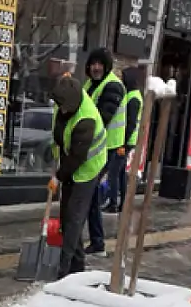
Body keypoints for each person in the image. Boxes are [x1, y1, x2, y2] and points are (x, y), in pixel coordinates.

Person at [49, 73, 108, 277]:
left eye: (65, 107)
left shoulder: (86, 118)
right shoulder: (64, 102)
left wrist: (58, 176)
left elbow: (76, 157)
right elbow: (58, 136)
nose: (62, 109)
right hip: (71, 163)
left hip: (89, 167)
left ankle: (64, 271)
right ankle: (78, 266)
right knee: (66, 217)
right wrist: (56, 160)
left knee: (74, 218)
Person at [83, 48, 126, 252]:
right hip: (94, 147)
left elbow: (101, 117)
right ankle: (95, 240)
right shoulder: (90, 85)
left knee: (90, 193)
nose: (96, 67)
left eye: (100, 64)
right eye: (93, 63)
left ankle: (98, 241)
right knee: (89, 194)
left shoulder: (113, 87)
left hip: (106, 147)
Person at [108, 68, 143, 213]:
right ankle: (122, 203)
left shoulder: (133, 98)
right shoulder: (132, 95)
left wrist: (122, 143)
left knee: (114, 172)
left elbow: (131, 122)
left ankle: (113, 203)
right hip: (127, 141)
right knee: (121, 172)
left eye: (123, 77)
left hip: (125, 141)